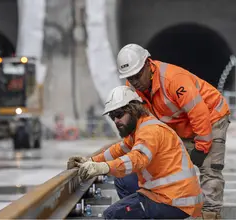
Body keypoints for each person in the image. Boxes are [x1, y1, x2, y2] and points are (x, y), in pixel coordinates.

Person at [116, 43, 230, 219]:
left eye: (138, 75)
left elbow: (199, 114)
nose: (135, 82)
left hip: (211, 117)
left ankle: (210, 215)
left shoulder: (173, 79)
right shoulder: (133, 89)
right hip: (181, 126)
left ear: (148, 64)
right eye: (130, 78)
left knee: (209, 169)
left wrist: (201, 147)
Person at [67, 86, 203, 219]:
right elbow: (118, 150)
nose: (116, 121)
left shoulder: (149, 131)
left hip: (175, 201)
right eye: (112, 116)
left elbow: (137, 159)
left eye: (119, 115)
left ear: (133, 110)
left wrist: (104, 167)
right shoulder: (138, 129)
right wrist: (91, 161)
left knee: (112, 215)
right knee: (121, 179)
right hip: (171, 193)